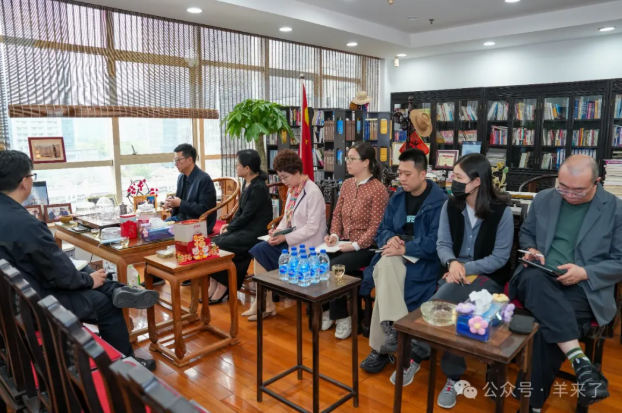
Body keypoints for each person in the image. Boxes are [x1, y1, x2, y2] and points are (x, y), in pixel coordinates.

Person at [0, 150, 158, 371]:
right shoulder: (27, 224)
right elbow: (61, 275)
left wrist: (86, 278)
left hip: (12, 297)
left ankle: (115, 289)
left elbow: (51, 266)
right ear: (24, 182)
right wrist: (88, 281)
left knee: (89, 275)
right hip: (33, 303)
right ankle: (126, 367)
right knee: (105, 302)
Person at [511, 155, 621, 412]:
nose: (569, 195)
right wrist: (531, 249)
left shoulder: (616, 210)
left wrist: (585, 272)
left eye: (578, 190)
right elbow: (527, 233)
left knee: (545, 328)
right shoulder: (544, 198)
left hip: (583, 287)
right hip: (538, 276)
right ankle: (580, 361)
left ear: (597, 182)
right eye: (563, 187)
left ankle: (531, 406)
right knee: (535, 280)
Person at [419, 153, 514, 406]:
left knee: (451, 305)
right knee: (449, 301)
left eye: (459, 177)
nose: (453, 181)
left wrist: (463, 267)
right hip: (453, 272)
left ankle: (430, 361)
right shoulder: (450, 206)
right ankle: (426, 356)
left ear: (477, 181)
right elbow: (442, 244)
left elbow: (500, 257)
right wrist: (452, 263)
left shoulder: (501, 211)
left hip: (487, 277)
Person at [359, 148, 447, 374]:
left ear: (423, 174)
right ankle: (394, 329)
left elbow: (437, 242)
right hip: (395, 252)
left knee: (384, 273)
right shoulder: (397, 197)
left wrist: (406, 248)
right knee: (385, 264)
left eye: (408, 174)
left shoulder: (440, 202)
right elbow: (383, 230)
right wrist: (390, 239)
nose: (402, 178)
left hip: (423, 258)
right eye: (400, 173)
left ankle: (381, 348)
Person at [245, 150, 327, 321]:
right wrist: (278, 231)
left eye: (285, 177)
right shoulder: (293, 190)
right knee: (259, 250)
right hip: (292, 240)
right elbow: (287, 219)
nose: (283, 181)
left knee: (264, 251)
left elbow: (312, 227)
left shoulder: (312, 192)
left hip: (308, 245)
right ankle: (264, 302)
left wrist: (285, 238)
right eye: (281, 177)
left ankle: (263, 303)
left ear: (297, 172)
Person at [322, 142, 389, 339]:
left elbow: (377, 227)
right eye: (347, 158)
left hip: (367, 247)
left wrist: (355, 245)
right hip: (343, 242)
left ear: (366, 162)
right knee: (319, 260)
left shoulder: (378, 189)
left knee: (335, 267)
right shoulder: (347, 185)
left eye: (352, 159)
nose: (348, 162)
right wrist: (334, 236)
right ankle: (328, 309)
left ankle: (343, 316)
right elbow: (336, 215)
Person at [208, 150, 273, 304]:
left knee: (220, 245)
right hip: (245, 228)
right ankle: (214, 283)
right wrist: (230, 225)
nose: (236, 167)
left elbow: (247, 216)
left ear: (247, 168)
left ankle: (223, 286)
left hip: (255, 231)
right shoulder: (247, 183)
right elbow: (240, 212)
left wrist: (231, 228)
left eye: (238, 164)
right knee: (212, 243)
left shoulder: (258, 187)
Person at [159, 143, 216, 287]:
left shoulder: (204, 179)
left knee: (161, 233)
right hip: (182, 219)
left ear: (189, 160)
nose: (176, 164)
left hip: (198, 223)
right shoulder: (181, 177)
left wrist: (180, 204)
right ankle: (157, 274)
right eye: (175, 161)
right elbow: (180, 203)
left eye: (178, 160)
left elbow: (204, 209)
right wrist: (171, 204)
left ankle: (188, 272)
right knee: (155, 231)